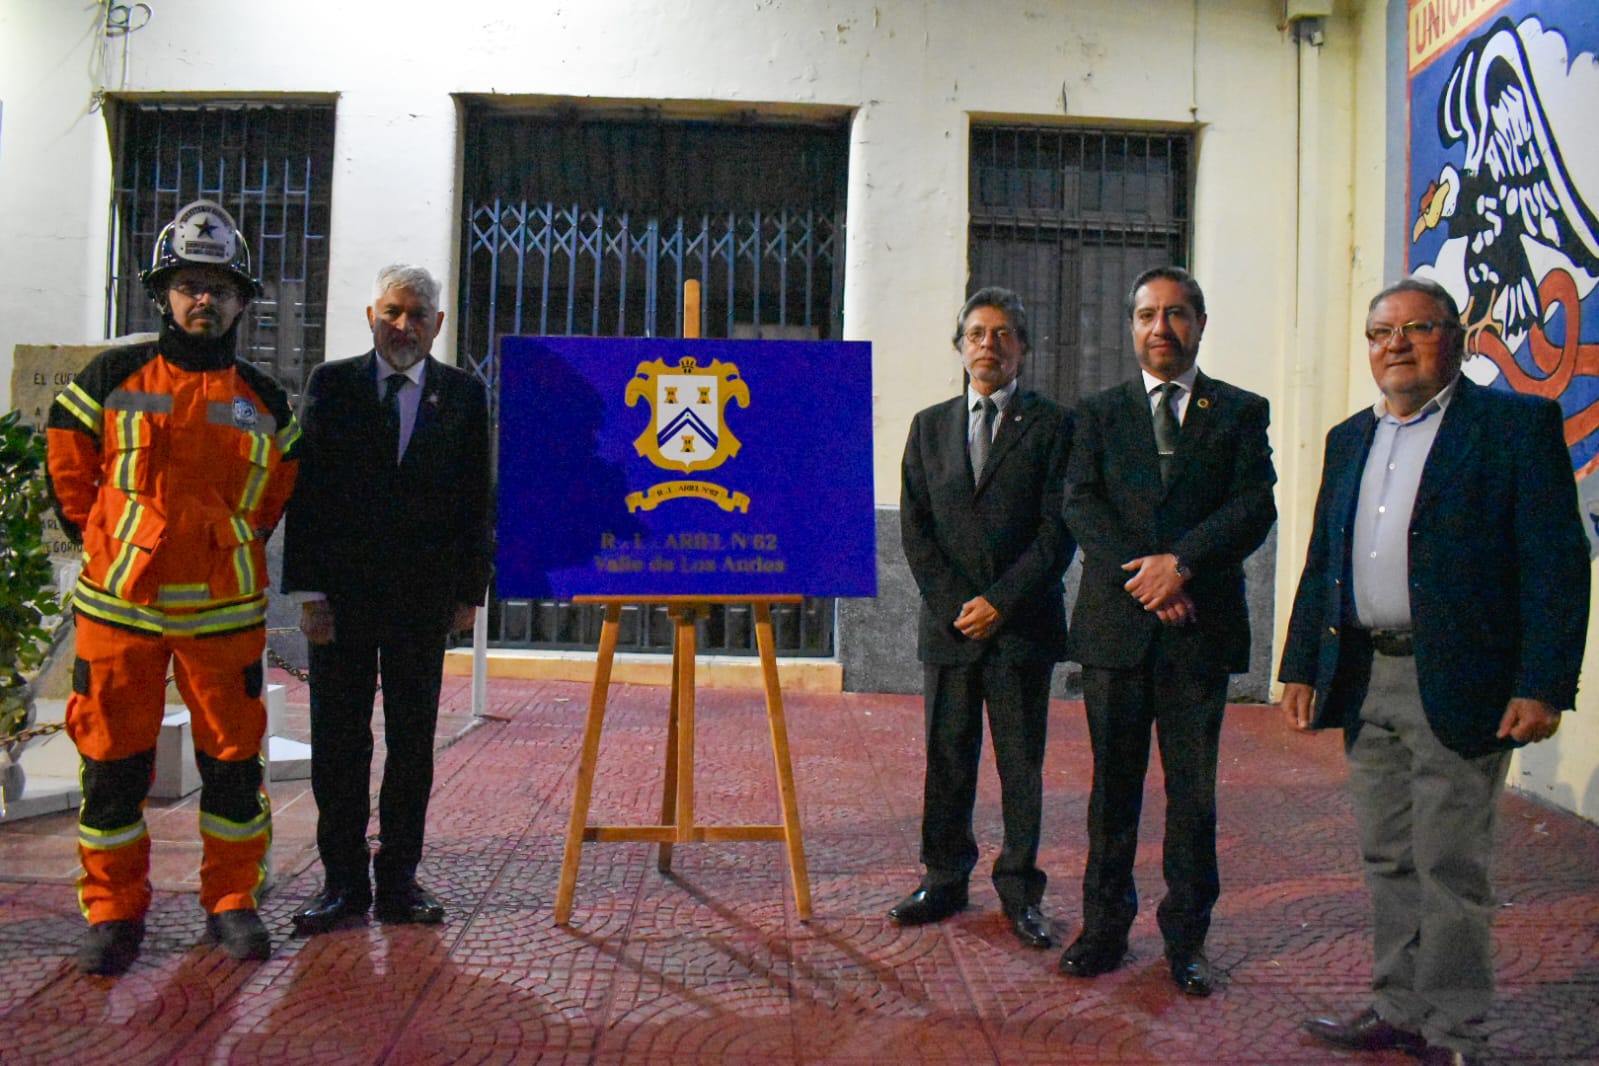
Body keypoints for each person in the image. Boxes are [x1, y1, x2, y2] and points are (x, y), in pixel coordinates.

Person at [1279, 277, 1589, 1066]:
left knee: (1449, 865)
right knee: (1386, 856)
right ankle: (1397, 1006)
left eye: (1416, 329)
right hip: (1362, 675)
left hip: (1460, 681)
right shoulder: (1351, 436)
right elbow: (1323, 559)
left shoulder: (1513, 427)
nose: (1396, 345)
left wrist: (1543, 682)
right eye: (1380, 333)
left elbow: (1556, 563)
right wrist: (1300, 667)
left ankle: (1456, 1033)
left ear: (1454, 337)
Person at [45, 200, 299, 973]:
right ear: (163, 294)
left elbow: (269, 501)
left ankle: (231, 901)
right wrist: (113, 544)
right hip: (120, 614)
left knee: (232, 767)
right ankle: (114, 912)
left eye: (219, 288)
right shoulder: (110, 378)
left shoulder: (267, 402)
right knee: (114, 767)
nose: (204, 300)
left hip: (224, 618)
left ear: (240, 300)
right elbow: (68, 468)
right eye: (189, 285)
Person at [1059, 266, 1276, 996]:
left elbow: (1253, 508)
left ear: (1199, 324)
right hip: (1117, 633)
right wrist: (1146, 580)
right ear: (1130, 326)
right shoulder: (1096, 413)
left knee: (1192, 796)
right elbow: (1080, 505)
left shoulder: (1240, 411)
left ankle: (1186, 941)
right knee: (1111, 792)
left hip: (1198, 631)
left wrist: (1180, 565)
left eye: (1176, 314)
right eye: (1147, 315)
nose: (1161, 328)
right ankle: (1102, 929)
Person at [283, 264, 494, 934]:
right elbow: (307, 493)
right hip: (340, 602)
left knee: (411, 745)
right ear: (370, 314)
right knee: (339, 743)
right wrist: (310, 593)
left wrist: (469, 590)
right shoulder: (332, 384)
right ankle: (342, 883)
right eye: (393, 312)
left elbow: (474, 498)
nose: (403, 327)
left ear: (437, 324)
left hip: (419, 603)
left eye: (417, 315)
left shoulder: (462, 395)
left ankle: (399, 882)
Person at [891, 286, 1076, 949]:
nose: (988, 345)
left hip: (1021, 628)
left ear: (1021, 347)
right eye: (976, 333)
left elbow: (1059, 532)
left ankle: (1020, 890)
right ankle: (943, 879)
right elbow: (915, 530)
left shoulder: (1053, 426)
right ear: (959, 346)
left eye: (1002, 334)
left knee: (1020, 764)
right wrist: (956, 605)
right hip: (949, 630)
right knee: (946, 758)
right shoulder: (928, 425)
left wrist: (1000, 601)